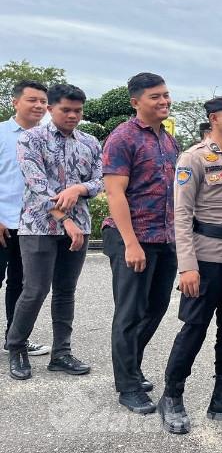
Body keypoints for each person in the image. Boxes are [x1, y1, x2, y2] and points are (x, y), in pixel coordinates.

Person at [157, 94, 222, 434]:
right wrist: (187, 266)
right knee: (195, 328)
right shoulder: (194, 158)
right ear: (215, 118)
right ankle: (172, 396)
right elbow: (182, 215)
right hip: (205, 258)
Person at [7, 84, 102, 380]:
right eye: (66, 110)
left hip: (80, 226)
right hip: (38, 226)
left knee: (66, 291)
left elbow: (100, 179)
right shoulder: (30, 139)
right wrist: (65, 218)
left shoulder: (89, 142)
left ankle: (61, 353)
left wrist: (79, 188)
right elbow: (35, 183)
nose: (73, 115)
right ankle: (16, 347)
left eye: (78, 110)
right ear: (51, 109)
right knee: (34, 289)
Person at [102, 72, 179, 415]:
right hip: (131, 237)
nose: (163, 101)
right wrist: (131, 244)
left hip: (164, 238)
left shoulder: (169, 140)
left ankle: (131, 365)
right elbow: (115, 194)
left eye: (165, 95)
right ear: (136, 102)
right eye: (155, 97)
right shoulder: (122, 138)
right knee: (130, 313)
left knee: (157, 307)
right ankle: (128, 386)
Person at [0, 80, 51, 357]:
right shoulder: (1, 134)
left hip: (33, 226)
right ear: (15, 102)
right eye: (32, 100)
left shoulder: (48, 137)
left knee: (22, 286)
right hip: (3, 222)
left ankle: (15, 339)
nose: (39, 106)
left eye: (43, 101)